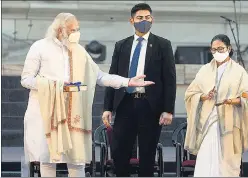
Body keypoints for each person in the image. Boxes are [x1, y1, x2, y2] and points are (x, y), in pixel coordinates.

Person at [21, 12, 154, 177]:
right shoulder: (40, 47)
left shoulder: (79, 52)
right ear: (60, 30)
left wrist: (128, 81)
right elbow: (26, 80)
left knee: (77, 162)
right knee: (48, 160)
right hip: (47, 113)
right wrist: (56, 86)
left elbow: (100, 76)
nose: (76, 33)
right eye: (72, 29)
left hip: (74, 113)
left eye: (77, 29)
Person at [101, 3, 176, 177]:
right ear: (132, 20)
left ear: (152, 19)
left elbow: (170, 79)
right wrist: (107, 107)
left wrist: (168, 110)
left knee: (147, 154)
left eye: (147, 17)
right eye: (140, 18)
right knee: (120, 153)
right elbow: (113, 77)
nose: (144, 21)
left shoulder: (162, 45)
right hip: (125, 103)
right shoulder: (122, 45)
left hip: (150, 106)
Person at [184, 34, 248, 177]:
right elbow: (190, 94)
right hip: (207, 125)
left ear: (229, 48)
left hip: (229, 125)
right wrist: (204, 96)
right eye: (214, 50)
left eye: (221, 49)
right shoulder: (204, 70)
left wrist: (231, 101)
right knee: (206, 164)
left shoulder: (238, 71)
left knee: (227, 167)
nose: (217, 53)